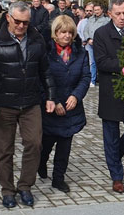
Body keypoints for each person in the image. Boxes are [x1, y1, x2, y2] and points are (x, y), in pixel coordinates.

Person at [0, 1, 56, 208]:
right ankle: (7, 190)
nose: (21, 26)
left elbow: (46, 71)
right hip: (3, 104)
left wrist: (50, 97)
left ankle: (25, 186)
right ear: (9, 18)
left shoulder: (37, 40)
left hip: (30, 102)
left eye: (25, 22)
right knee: (4, 150)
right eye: (18, 22)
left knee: (34, 144)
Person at [38, 15, 90, 193]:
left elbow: (85, 77)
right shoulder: (46, 52)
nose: (67, 36)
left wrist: (76, 96)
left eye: (70, 32)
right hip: (51, 107)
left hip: (71, 109)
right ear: (55, 33)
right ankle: (41, 163)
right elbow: (42, 79)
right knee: (46, 144)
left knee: (64, 147)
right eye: (63, 32)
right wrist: (54, 100)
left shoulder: (81, 53)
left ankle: (58, 178)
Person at [93, 0, 124, 193]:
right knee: (110, 136)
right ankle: (117, 176)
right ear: (110, 14)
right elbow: (102, 62)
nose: (122, 17)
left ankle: (113, 157)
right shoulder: (101, 34)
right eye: (118, 14)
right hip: (111, 91)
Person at [83, 3, 110, 87]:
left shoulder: (106, 20)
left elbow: (106, 32)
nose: (96, 12)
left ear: (102, 10)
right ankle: (92, 80)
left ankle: (101, 79)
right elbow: (85, 30)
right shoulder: (90, 19)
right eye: (95, 10)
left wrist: (97, 40)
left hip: (100, 44)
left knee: (100, 62)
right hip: (90, 43)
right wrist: (88, 39)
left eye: (98, 10)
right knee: (91, 62)